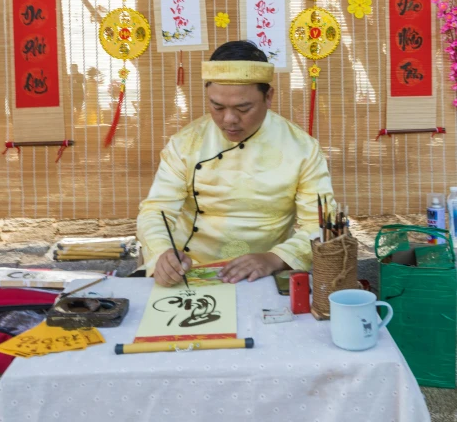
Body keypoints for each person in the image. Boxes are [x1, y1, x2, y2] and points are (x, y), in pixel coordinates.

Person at [137, 40, 335, 287]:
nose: (229, 119)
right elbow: (156, 210)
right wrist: (161, 254)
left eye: (243, 108)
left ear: (269, 96)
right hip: (189, 270)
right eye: (217, 106)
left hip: (263, 275)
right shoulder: (185, 143)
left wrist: (274, 258)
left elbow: (321, 225)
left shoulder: (302, 149)